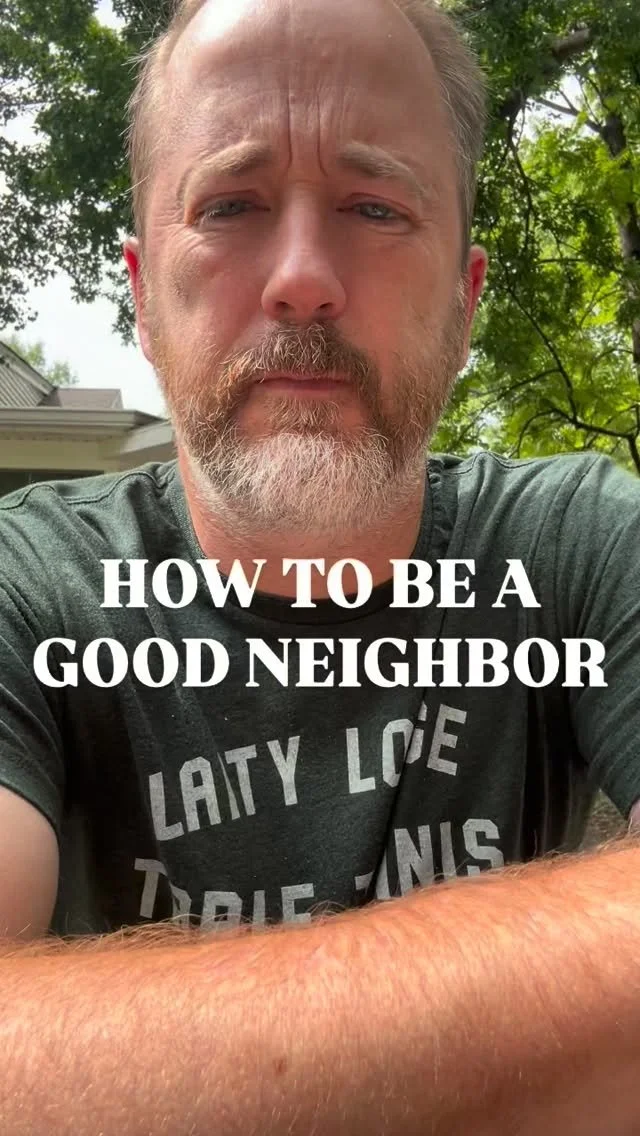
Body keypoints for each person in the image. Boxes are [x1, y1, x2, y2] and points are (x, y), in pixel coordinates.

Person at [1, 0, 639, 1130]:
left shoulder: (580, 542)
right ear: (141, 296)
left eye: (374, 207)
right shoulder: (27, 586)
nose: (301, 278)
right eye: (231, 205)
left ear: (465, 300)